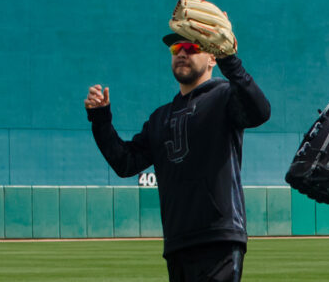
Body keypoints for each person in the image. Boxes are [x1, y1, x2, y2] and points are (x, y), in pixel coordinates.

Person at [84, 30, 270, 282]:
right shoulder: (161, 117)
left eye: (192, 47)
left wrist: (230, 59)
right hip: (177, 242)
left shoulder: (225, 96)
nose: (182, 53)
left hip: (219, 237)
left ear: (212, 58)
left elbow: (259, 111)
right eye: (176, 49)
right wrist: (101, 119)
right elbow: (125, 163)